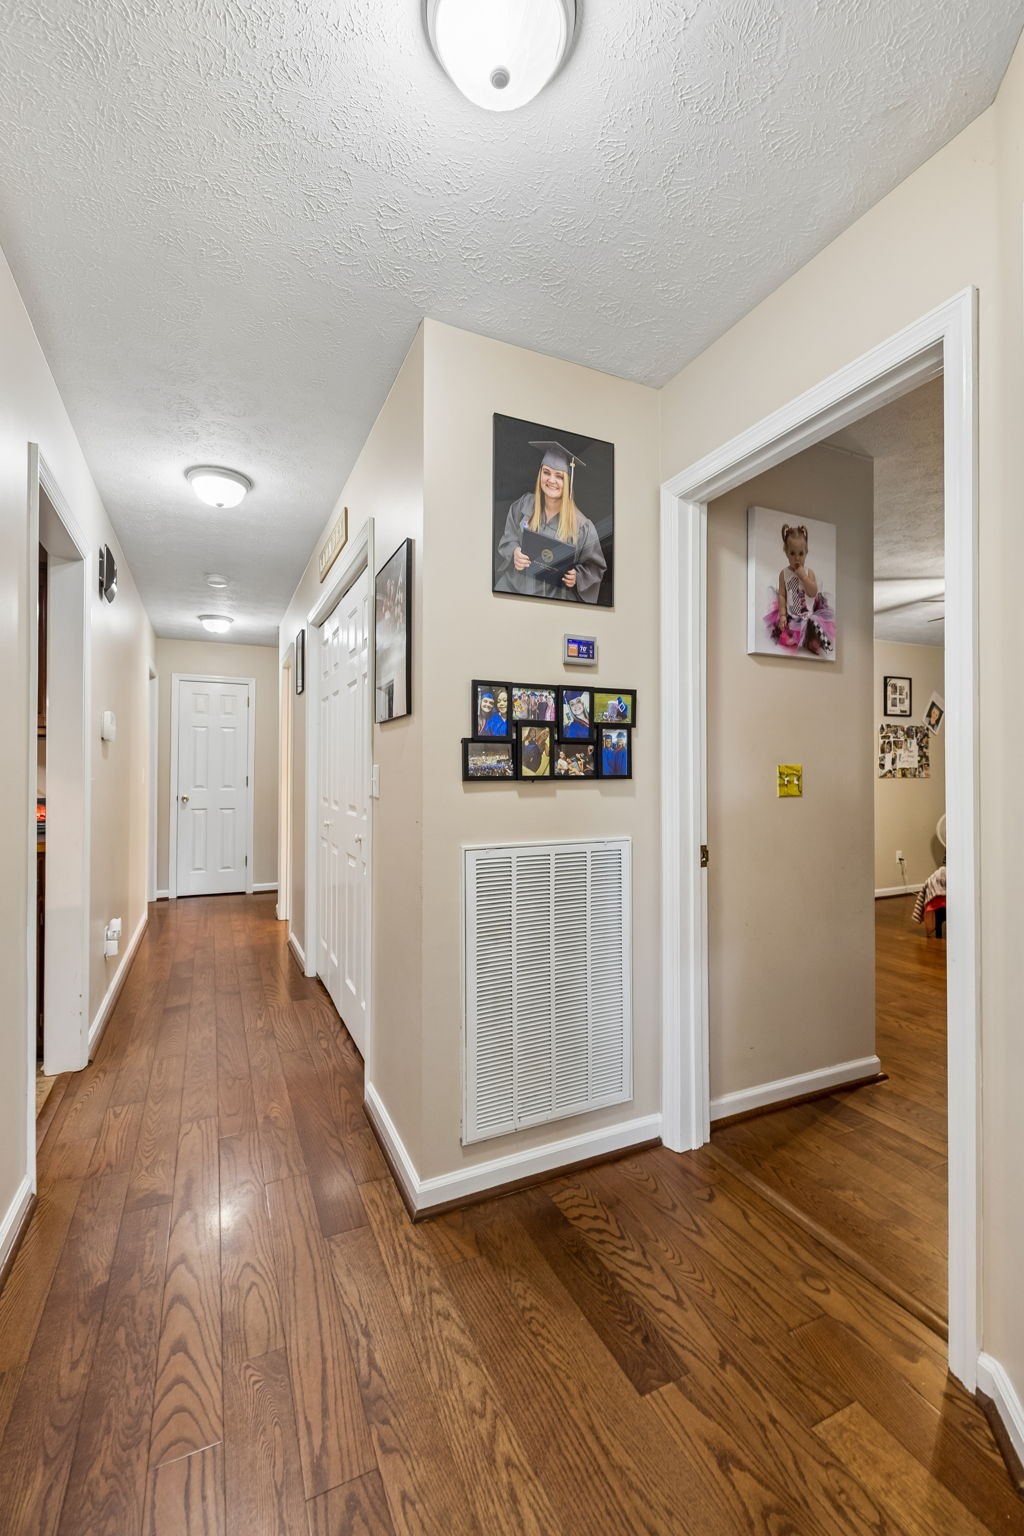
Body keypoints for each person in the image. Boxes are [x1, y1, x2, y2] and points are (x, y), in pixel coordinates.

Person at [495, 440, 607, 603]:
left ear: (568, 481)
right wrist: (514, 552)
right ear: (540, 474)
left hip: (552, 598)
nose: (551, 480)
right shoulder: (524, 504)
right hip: (513, 588)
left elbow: (595, 568)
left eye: (559, 476)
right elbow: (509, 537)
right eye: (546, 472)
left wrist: (577, 576)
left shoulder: (582, 525)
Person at [764, 523, 836, 656]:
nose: (797, 558)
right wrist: (783, 615)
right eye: (792, 553)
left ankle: (813, 641)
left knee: (814, 630)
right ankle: (796, 638)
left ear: (806, 553)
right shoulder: (784, 574)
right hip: (792, 616)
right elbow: (782, 595)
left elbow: (813, 592)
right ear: (786, 553)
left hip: (809, 615)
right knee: (787, 634)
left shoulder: (809, 573)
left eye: (801, 553)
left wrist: (803, 576)